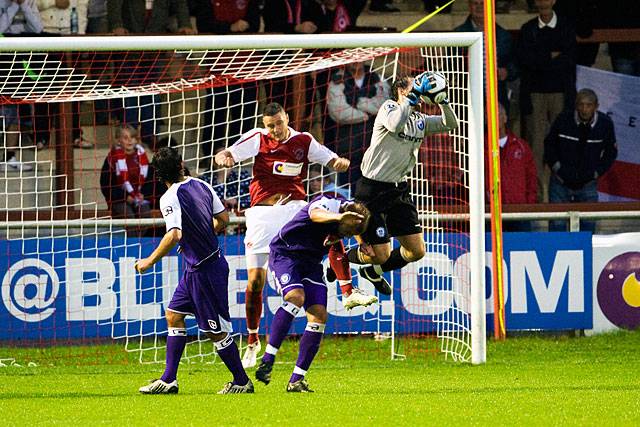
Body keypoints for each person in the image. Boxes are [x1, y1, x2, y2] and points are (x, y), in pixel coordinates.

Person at [214, 102, 375, 368]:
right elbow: (229, 152)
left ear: (287, 117)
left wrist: (338, 162)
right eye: (270, 125)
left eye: (278, 123)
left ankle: (348, 291)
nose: (274, 130)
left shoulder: (303, 140)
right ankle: (253, 341)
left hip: (294, 211)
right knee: (255, 282)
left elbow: (330, 158)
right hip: (263, 216)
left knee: (330, 225)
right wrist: (225, 156)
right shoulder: (258, 138)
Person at [135, 147, 253, 395]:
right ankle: (169, 380)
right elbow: (223, 219)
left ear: (157, 174)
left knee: (215, 330)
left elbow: (174, 233)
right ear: (181, 164)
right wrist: (198, 233)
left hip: (206, 271)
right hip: (196, 268)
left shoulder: (168, 197)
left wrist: (149, 261)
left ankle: (241, 381)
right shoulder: (202, 184)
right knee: (174, 315)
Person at [344, 72, 459, 294]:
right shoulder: (388, 108)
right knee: (381, 252)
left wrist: (442, 100)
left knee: (416, 251)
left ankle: (373, 271)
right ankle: (339, 259)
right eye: (413, 85)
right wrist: (414, 94)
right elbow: (396, 125)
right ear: (401, 90)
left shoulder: (419, 120)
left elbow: (450, 123)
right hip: (372, 189)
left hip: (398, 189)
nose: (419, 88)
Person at [254, 194, 371, 392]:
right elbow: (315, 214)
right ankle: (267, 359)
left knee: (319, 315)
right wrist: (337, 218)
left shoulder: (347, 219)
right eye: (348, 231)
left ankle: (296, 380)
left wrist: (362, 241)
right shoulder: (329, 202)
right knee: (295, 297)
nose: (348, 235)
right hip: (286, 255)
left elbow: (339, 250)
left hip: (311, 263)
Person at [517, 0, 576, 202]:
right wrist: (550, 57)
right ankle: (539, 196)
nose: (543, 2)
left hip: (561, 93)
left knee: (561, 144)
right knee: (537, 147)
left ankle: (559, 195)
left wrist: (540, 59)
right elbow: (525, 61)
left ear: (553, 1)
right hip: (535, 94)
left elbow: (568, 60)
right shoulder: (528, 29)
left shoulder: (566, 27)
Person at [544, 88, 617, 232]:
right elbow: (549, 146)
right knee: (557, 227)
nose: (584, 109)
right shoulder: (563, 119)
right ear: (576, 105)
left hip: (588, 184)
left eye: (588, 105)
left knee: (588, 229)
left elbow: (611, 152)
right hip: (560, 182)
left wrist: (596, 173)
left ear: (596, 106)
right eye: (581, 105)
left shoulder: (605, 124)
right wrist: (558, 168)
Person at [326, 61, 388, 188]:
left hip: (374, 148)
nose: (356, 61)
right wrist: (366, 114)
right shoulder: (337, 81)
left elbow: (385, 105)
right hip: (348, 149)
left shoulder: (377, 77)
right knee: (349, 191)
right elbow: (339, 112)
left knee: (374, 190)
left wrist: (361, 103)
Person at [454, 0, 517, 114]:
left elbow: (516, 65)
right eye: (475, 3)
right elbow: (451, 68)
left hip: (497, 98)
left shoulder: (504, 35)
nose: (479, 7)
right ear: (469, 6)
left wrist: (507, 72)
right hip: (467, 100)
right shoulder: (457, 35)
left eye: (482, 3)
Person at [487, 104, 537, 232]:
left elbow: (531, 178)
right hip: (489, 212)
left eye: (498, 114)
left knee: (523, 248)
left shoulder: (521, 146)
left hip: (518, 211)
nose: (495, 118)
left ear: (505, 118)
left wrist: (528, 205)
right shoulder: (480, 147)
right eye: (490, 115)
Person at [100, 124, 151, 218]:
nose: (130, 140)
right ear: (119, 140)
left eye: (132, 137)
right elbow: (106, 185)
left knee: (145, 214)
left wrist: (144, 194)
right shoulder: (111, 159)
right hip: (119, 200)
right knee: (129, 216)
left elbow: (150, 181)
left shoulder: (142, 157)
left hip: (140, 197)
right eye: (125, 138)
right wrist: (125, 197)